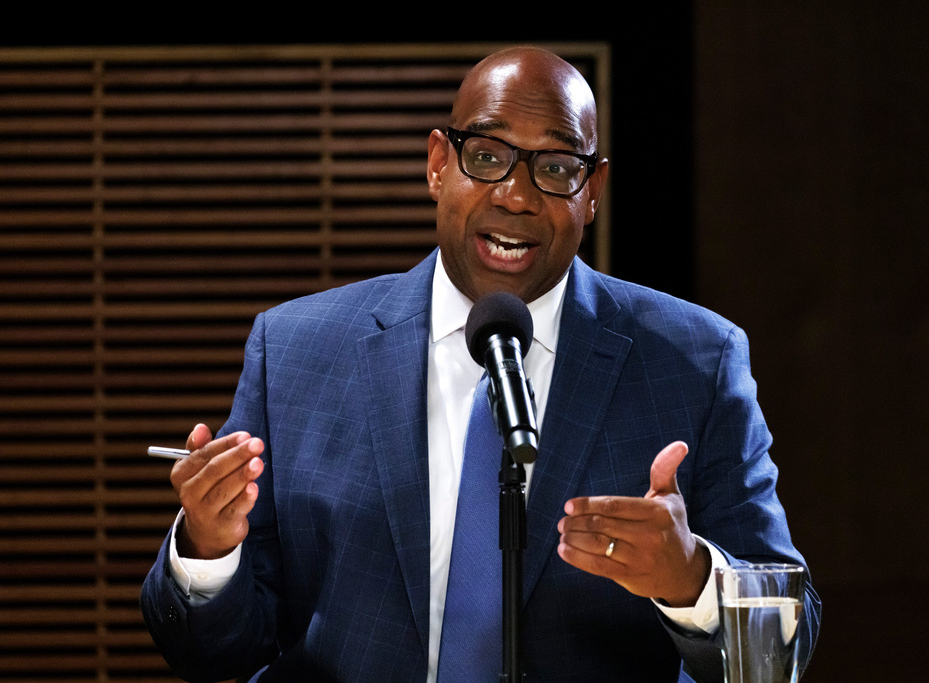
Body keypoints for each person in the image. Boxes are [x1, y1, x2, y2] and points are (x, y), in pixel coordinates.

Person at [141, 46, 820, 682]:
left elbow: (786, 642)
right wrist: (208, 547)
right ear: (439, 163)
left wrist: (692, 580)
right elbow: (209, 650)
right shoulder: (293, 350)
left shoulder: (697, 359)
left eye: (556, 168)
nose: (517, 195)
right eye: (488, 156)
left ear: (593, 190)